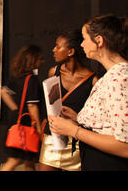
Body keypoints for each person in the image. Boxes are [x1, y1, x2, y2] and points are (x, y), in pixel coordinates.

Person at [49, 14, 128, 170]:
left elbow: (124, 145)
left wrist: (74, 130)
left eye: (84, 39)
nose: (82, 45)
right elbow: (109, 126)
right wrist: (78, 119)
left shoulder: (119, 78)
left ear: (99, 41)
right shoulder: (113, 75)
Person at [38, 30, 98, 171]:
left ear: (70, 52)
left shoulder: (93, 80)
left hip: (76, 140)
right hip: (53, 136)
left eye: (58, 47)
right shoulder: (54, 72)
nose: (53, 50)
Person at [0, 45, 43, 171]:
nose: (42, 61)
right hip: (28, 124)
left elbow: (3, 92)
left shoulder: (17, 76)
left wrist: (15, 109)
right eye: (40, 58)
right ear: (32, 60)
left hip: (17, 121)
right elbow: (32, 105)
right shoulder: (32, 79)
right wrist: (39, 128)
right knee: (15, 160)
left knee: (30, 160)